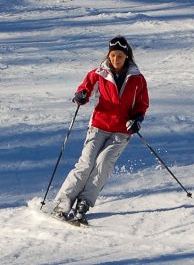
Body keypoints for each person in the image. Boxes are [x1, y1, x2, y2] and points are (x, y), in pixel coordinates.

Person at [52, 36, 150, 225]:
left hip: (121, 131)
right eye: (112, 55)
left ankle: (83, 204)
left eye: (119, 56)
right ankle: (62, 205)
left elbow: (142, 104)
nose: (115, 59)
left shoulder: (137, 79)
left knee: (103, 165)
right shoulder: (99, 73)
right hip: (98, 127)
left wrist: (137, 119)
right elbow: (84, 90)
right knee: (86, 164)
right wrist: (80, 96)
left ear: (127, 56)